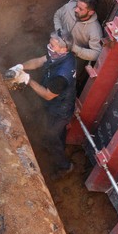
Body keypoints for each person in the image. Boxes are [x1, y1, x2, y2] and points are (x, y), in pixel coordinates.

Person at [7, 31, 76, 179]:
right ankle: (56, 144)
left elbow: (47, 95)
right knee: (56, 132)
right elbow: (39, 61)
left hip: (60, 110)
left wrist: (27, 79)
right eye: (50, 43)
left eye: (52, 45)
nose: (49, 46)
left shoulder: (62, 76)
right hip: (55, 105)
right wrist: (20, 67)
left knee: (52, 135)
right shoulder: (58, 54)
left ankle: (64, 167)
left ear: (63, 49)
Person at [53, 0, 103, 92]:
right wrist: (59, 32)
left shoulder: (95, 30)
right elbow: (57, 15)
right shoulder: (69, 7)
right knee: (49, 68)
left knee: (62, 84)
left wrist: (74, 48)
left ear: (90, 12)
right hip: (57, 47)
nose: (76, 9)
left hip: (74, 59)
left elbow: (97, 53)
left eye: (80, 9)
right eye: (77, 6)